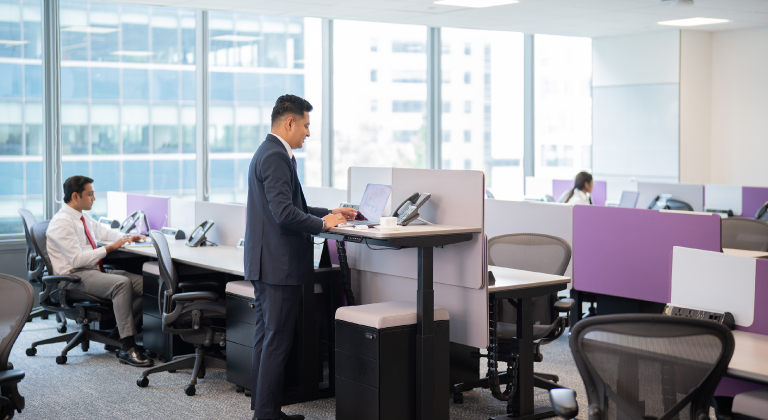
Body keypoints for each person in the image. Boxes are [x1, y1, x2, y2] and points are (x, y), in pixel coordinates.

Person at [244, 94, 357, 420]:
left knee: (267, 339)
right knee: (276, 341)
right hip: (277, 267)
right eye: (306, 125)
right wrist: (323, 224)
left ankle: (265, 412)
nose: (308, 132)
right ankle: (266, 414)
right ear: (290, 122)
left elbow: (293, 208)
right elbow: (284, 214)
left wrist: (331, 212)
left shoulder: (268, 152)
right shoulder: (276, 156)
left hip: (266, 263)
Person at [46, 175, 153, 367]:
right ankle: (127, 347)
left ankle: (118, 335)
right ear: (76, 196)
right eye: (90, 194)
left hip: (92, 271)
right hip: (73, 277)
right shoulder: (61, 223)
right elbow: (77, 260)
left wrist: (128, 237)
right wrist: (111, 247)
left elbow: (105, 232)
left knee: (148, 285)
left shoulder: (82, 217)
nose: (94, 198)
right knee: (122, 284)